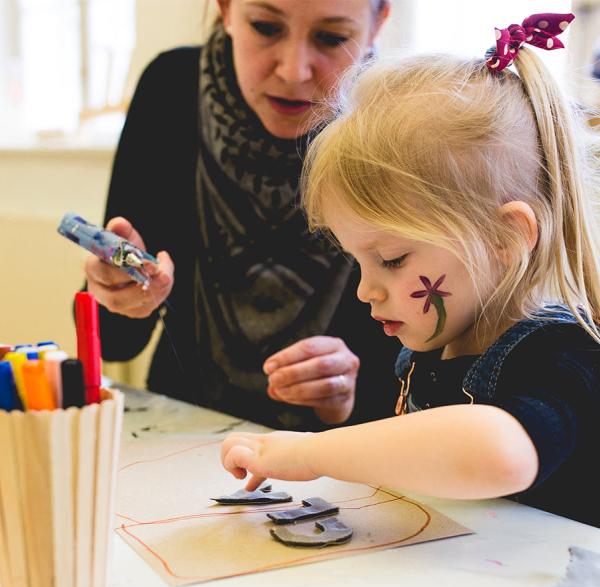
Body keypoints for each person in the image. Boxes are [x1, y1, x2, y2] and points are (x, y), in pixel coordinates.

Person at [221, 12, 600, 528]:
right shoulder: (433, 347)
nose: (365, 290)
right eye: (358, 261)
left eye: (393, 260)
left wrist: (313, 453)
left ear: (505, 237)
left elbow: (498, 451)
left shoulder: (562, 355)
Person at [84, 0, 401, 430]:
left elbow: (415, 391)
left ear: (376, 25)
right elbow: (117, 342)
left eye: (331, 38)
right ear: (226, 9)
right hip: (184, 432)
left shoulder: (399, 127)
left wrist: (347, 397)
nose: (294, 71)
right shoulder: (170, 88)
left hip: (333, 460)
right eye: (266, 27)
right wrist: (117, 293)